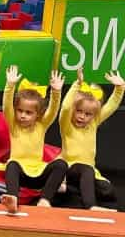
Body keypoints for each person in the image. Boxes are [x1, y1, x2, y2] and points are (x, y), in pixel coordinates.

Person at [0, 65, 67, 213]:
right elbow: (6, 107)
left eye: (29, 113)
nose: (23, 115)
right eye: (20, 111)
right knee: (12, 164)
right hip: (20, 174)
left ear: (38, 114)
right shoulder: (13, 124)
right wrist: (10, 85)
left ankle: (45, 199)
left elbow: (53, 110)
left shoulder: (41, 125)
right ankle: (13, 198)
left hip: (39, 173)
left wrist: (56, 92)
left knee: (61, 164)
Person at [57, 68, 124, 211]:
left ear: (94, 116)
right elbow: (65, 107)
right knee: (86, 171)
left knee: (108, 190)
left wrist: (119, 88)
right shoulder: (66, 125)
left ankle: (72, 190)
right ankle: (91, 206)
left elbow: (111, 105)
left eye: (88, 114)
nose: (82, 116)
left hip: (88, 171)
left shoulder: (93, 124)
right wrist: (77, 84)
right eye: (79, 111)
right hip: (69, 168)